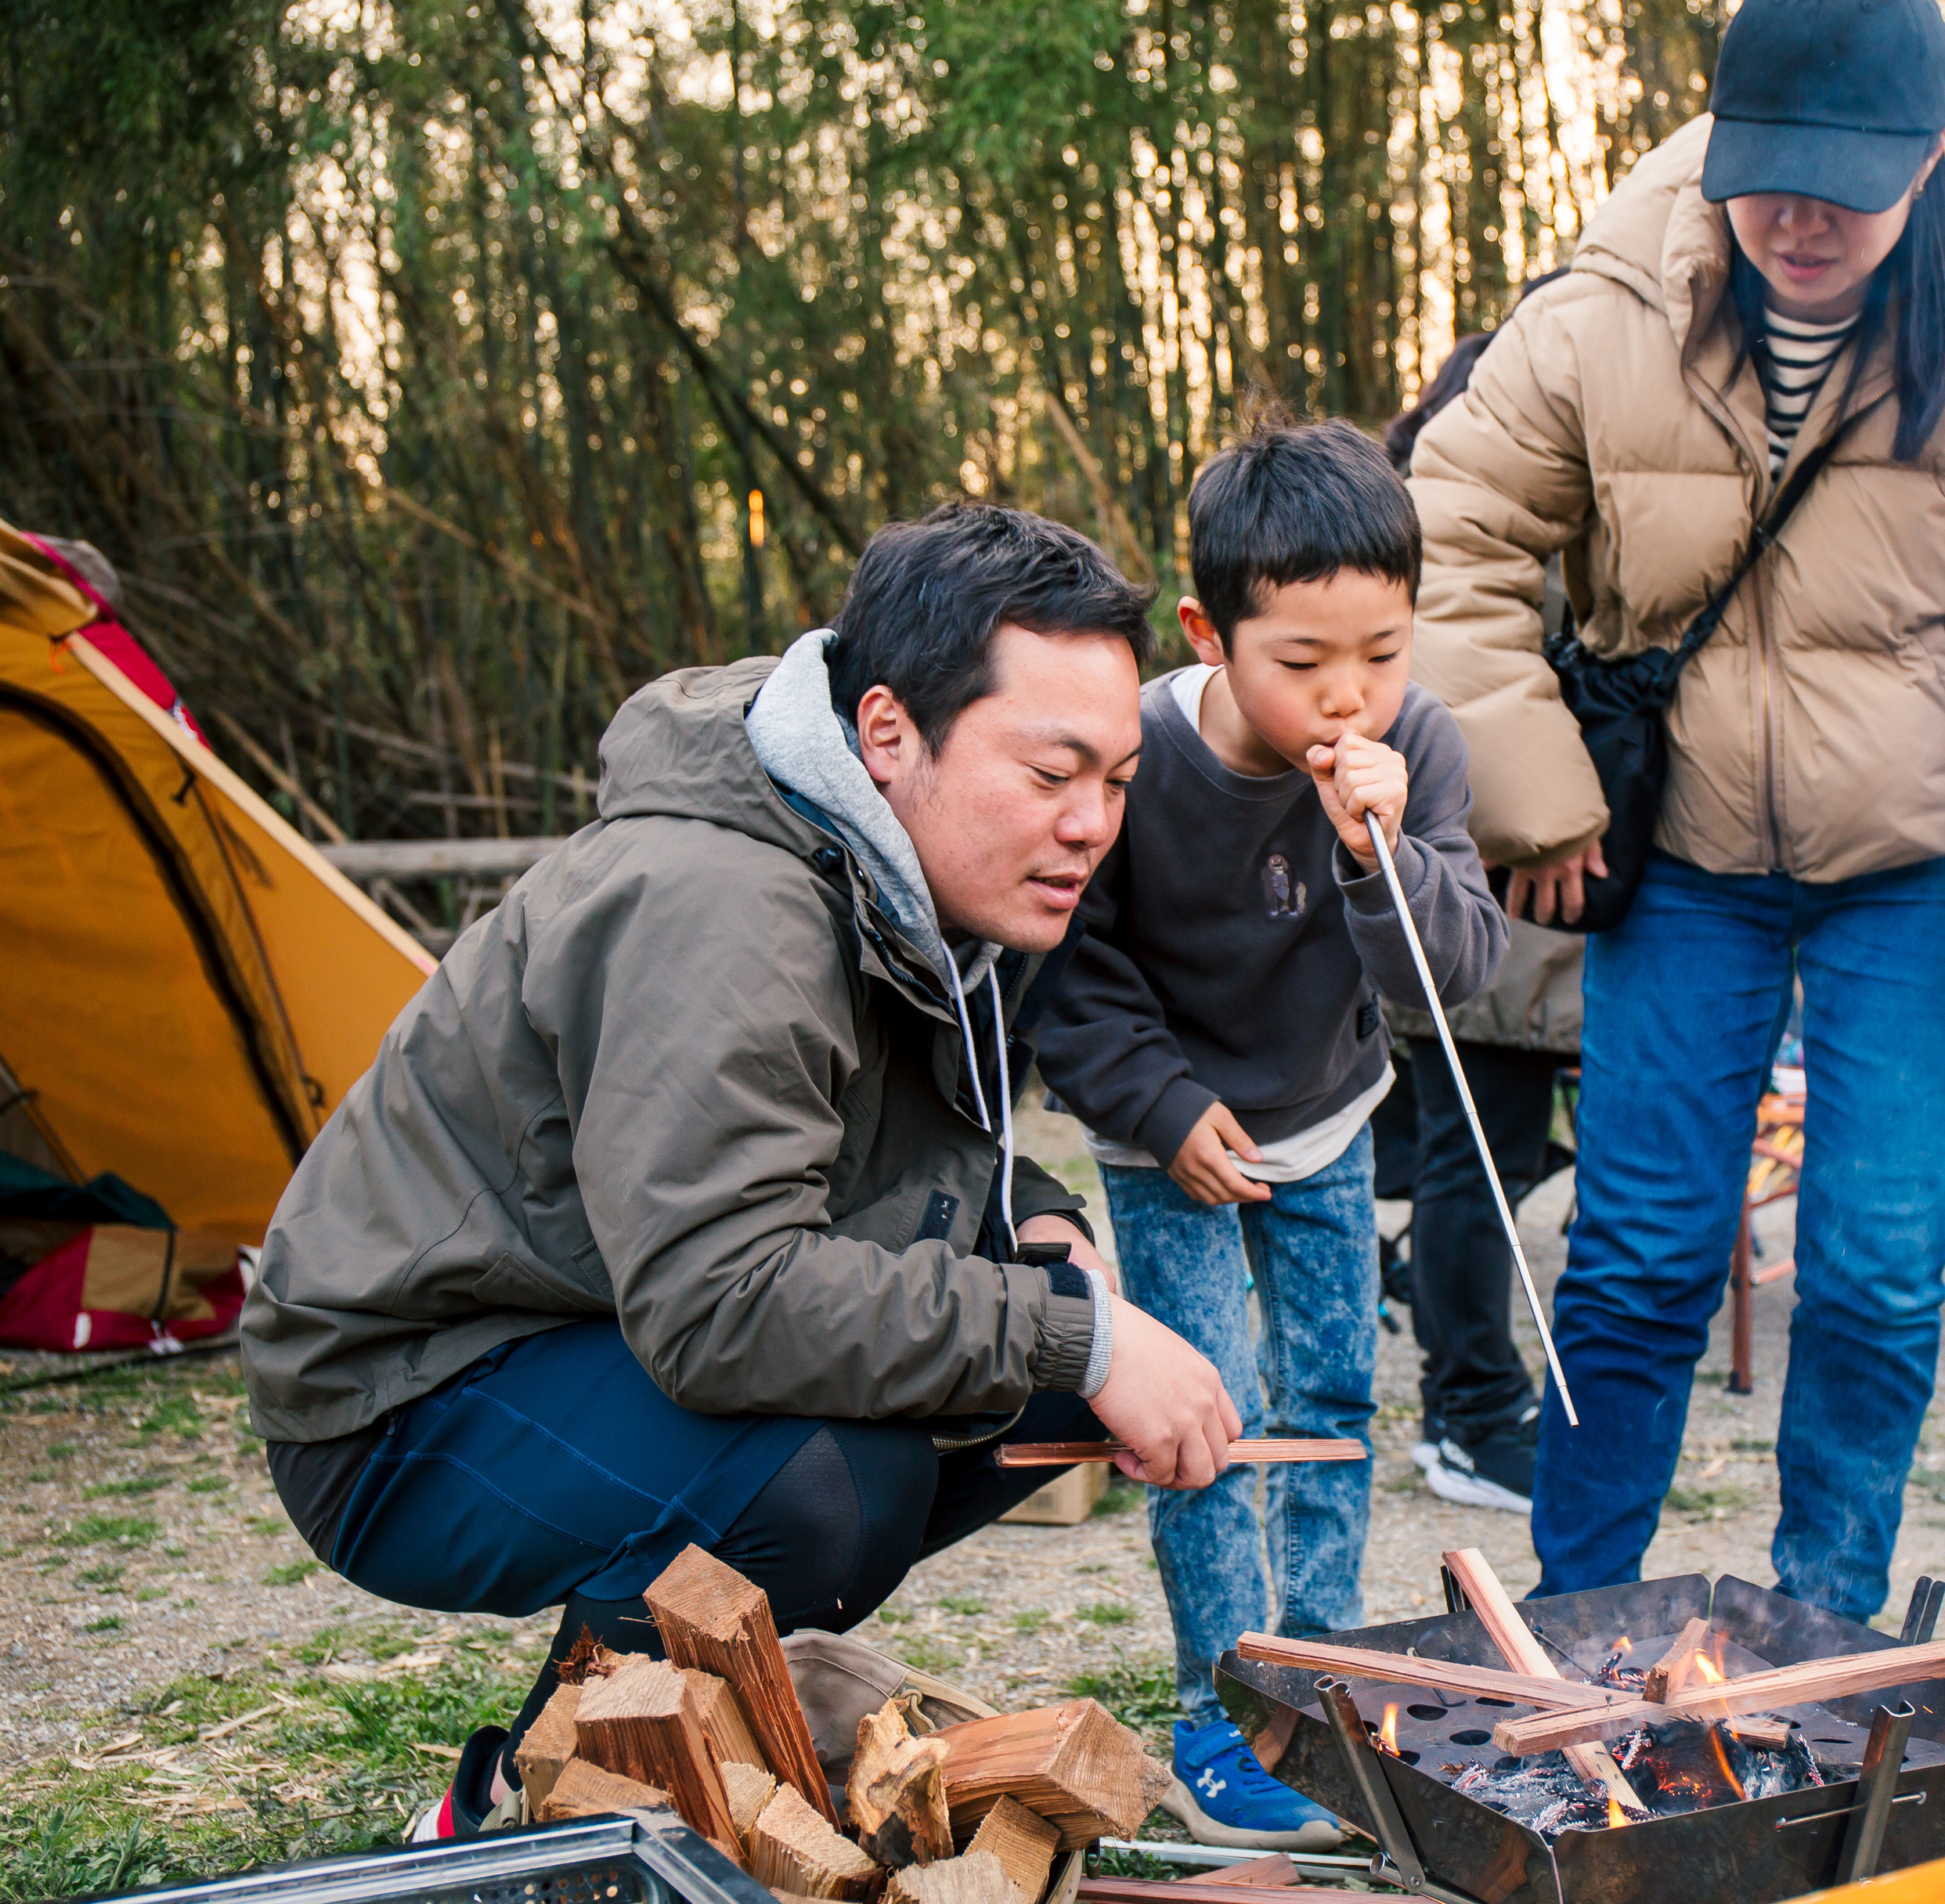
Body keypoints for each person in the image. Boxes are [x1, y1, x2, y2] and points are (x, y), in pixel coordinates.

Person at [241, 504, 1243, 1838]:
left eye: (1117, 781)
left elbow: (907, 1145)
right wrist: (1080, 1332)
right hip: (399, 1394)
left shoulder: (912, 866)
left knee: (1025, 1409)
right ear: (888, 731)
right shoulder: (723, 908)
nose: (1089, 826)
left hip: (586, 1318)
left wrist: (1040, 1233)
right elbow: (722, 1301)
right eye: (1053, 773)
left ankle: (694, 1729)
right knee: (837, 1484)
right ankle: (538, 1802)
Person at [1407, 0, 1945, 1621]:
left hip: (1915, 872)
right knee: (1637, 1260)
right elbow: (1443, 540)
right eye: (1771, 179)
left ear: (1931, 162)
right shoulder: (1599, 315)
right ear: (1721, 147)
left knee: (1878, 1272)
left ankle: (1827, 1611)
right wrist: (1536, 796)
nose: (1802, 220)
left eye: (1849, 185)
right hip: (1678, 864)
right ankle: (1581, 1613)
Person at [1040, 415, 1507, 1848]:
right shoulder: (1139, 761)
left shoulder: (1415, 746)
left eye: (1381, 650)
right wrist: (1161, 1106)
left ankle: (1320, 1672)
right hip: (1167, 1129)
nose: (1346, 694)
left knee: (1332, 1399)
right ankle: (1222, 1703)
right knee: (1200, 1416)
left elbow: (1456, 964)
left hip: (1330, 1113)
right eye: (1302, 664)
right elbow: (1071, 967)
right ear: (1208, 630)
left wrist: (1380, 852)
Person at [1376, 328, 1584, 1515]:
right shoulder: (1448, 529)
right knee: (1478, 1163)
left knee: (1495, 1160)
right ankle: (1468, 1411)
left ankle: (1489, 1391)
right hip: (1487, 895)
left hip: (1543, 917)